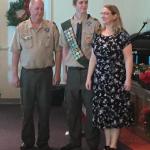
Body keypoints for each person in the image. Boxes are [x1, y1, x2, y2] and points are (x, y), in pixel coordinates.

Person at [10, 0, 61, 150]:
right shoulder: (21, 28)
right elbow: (15, 52)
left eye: (42, 8)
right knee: (27, 110)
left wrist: (57, 73)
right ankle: (27, 142)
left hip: (45, 74)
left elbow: (58, 51)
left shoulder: (51, 27)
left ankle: (43, 143)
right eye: (37, 8)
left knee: (45, 111)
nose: (39, 11)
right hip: (27, 75)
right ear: (30, 9)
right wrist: (14, 74)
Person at [86, 4, 134, 150]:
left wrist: (128, 79)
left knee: (115, 114)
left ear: (115, 16)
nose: (103, 16)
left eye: (106, 13)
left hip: (117, 81)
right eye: (102, 13)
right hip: (100, 81)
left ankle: (113, 145)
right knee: (104, 114)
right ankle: (108, 144)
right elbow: (93, 58)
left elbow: (128, 59)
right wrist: (88, 77)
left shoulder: (122, 35)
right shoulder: (98, 34)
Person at [59, 0, 101, 150]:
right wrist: (64, 72)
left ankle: (92, 143)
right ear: (74, 4)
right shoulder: (66, 25)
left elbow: (98, 51)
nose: (83, 6)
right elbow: (64, 49)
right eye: (80, 3)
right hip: (72, 73)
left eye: (85, 3)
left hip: (89, 72)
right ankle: (74, 141)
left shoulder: (95, 24)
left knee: (91, 109)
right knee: (72, 109)